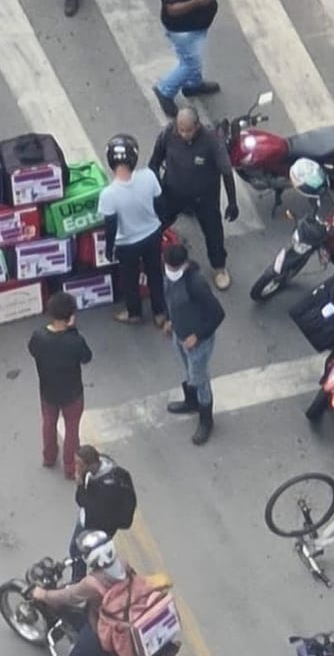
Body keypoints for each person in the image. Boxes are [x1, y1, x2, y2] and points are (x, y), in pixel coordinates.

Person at [149, 108, 239, 290]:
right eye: (180, 130)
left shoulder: (212, 141)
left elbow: (226, 172)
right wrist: (156, 188)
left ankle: (219, 267)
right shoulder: (168, 133)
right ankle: (151, 258)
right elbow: (154, 162)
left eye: (188, 130)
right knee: (154, 225)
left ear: (197, 126)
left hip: (203, 198)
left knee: (213, 231)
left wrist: (232, 202)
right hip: (173, 192)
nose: (183, 134)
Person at [99, 133, 168, 327]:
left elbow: (110, 225)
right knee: (155, 273)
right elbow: (160, 204)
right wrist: (159, 226)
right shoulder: (149, 177)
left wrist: (109, 248)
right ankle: (160, 312)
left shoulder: (108, 194)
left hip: (127, 243)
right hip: (152, 235)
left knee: (129, 279)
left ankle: (134, 313)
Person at [162, 243, 226, 444]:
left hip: (198, 342)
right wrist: (169, 320)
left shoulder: (196, 284)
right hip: (179, 334)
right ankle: (191, 402)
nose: (170, 271)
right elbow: (170, 299)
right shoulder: (169, 276)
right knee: (188, 372)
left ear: (183, 264)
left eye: (173, 268)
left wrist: (197, 336)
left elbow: (218, 314)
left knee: (200, 379)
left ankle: (206, 419)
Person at [27, 292, 94, 479]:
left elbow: (32, 350)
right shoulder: (74, 341)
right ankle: (71, 466)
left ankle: (49, 456)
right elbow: (86, 357)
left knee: (48, 422)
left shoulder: (38, 336)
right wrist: (73, 331)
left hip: (48, 391)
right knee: (72, 429)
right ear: (70, 317)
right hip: (72, 393)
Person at [32, 530, 126, 656]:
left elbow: (69, 596)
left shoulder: (93, 583)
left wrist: (44, 595)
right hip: (126, 611)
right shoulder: (123, 563)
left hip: (103, 627)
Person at [152, 0, 220, 117]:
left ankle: (193, 84)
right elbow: (172, 9)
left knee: (195, 56)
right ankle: (165, 90)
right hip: (184, 30)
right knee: (191, 64)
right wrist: (197, 2)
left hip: (198, 25)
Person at [70, 446, 137, 582]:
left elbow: (83, 502)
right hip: (109, 522)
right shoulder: (113, 472)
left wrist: (80, 485)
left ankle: (78, 582)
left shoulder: (102, 488)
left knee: (77, 552)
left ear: (91, 464)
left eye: (80, 464)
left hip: (95, 525)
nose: (76, 467)